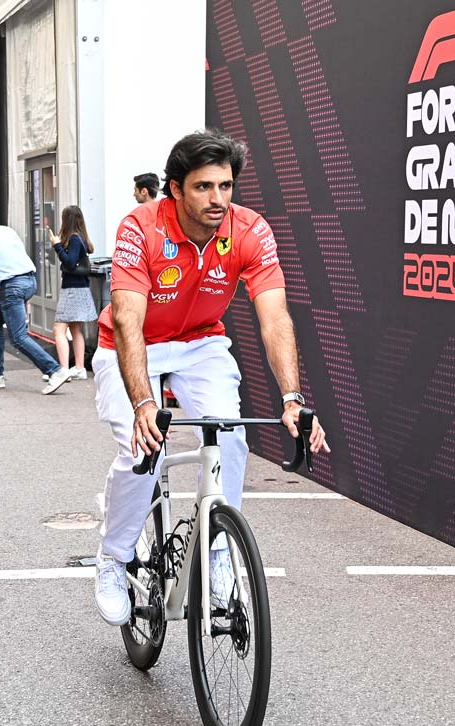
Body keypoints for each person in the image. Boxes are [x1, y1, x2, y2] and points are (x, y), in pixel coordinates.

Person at [91, 131, 329, 625]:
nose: (218, 198)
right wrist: (143, 404)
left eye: (225, 186)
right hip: (131, 344)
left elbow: (275, 317)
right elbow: (128, 319)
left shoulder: (249, 230)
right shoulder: (140, 227)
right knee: (142, 450)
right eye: (203, 187)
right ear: (176, 189)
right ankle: (114, 557)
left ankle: (219, 549)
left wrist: (292, 397)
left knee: (231, 436)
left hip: (200, 343)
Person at [0, 210, 73, 393]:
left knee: (18, 337)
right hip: (29, 281)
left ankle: (55, 370)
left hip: (12, 286)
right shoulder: (6, 230)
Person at [47, 206, 97, 380]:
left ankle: (63, 370)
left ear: (67, 220)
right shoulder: (81, 238)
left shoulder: (75, 239)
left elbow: (69, 262)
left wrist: (57, 245)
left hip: (72, 290)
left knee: (58, 329)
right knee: (75, 329)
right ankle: (79, 368)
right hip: (80, 288)